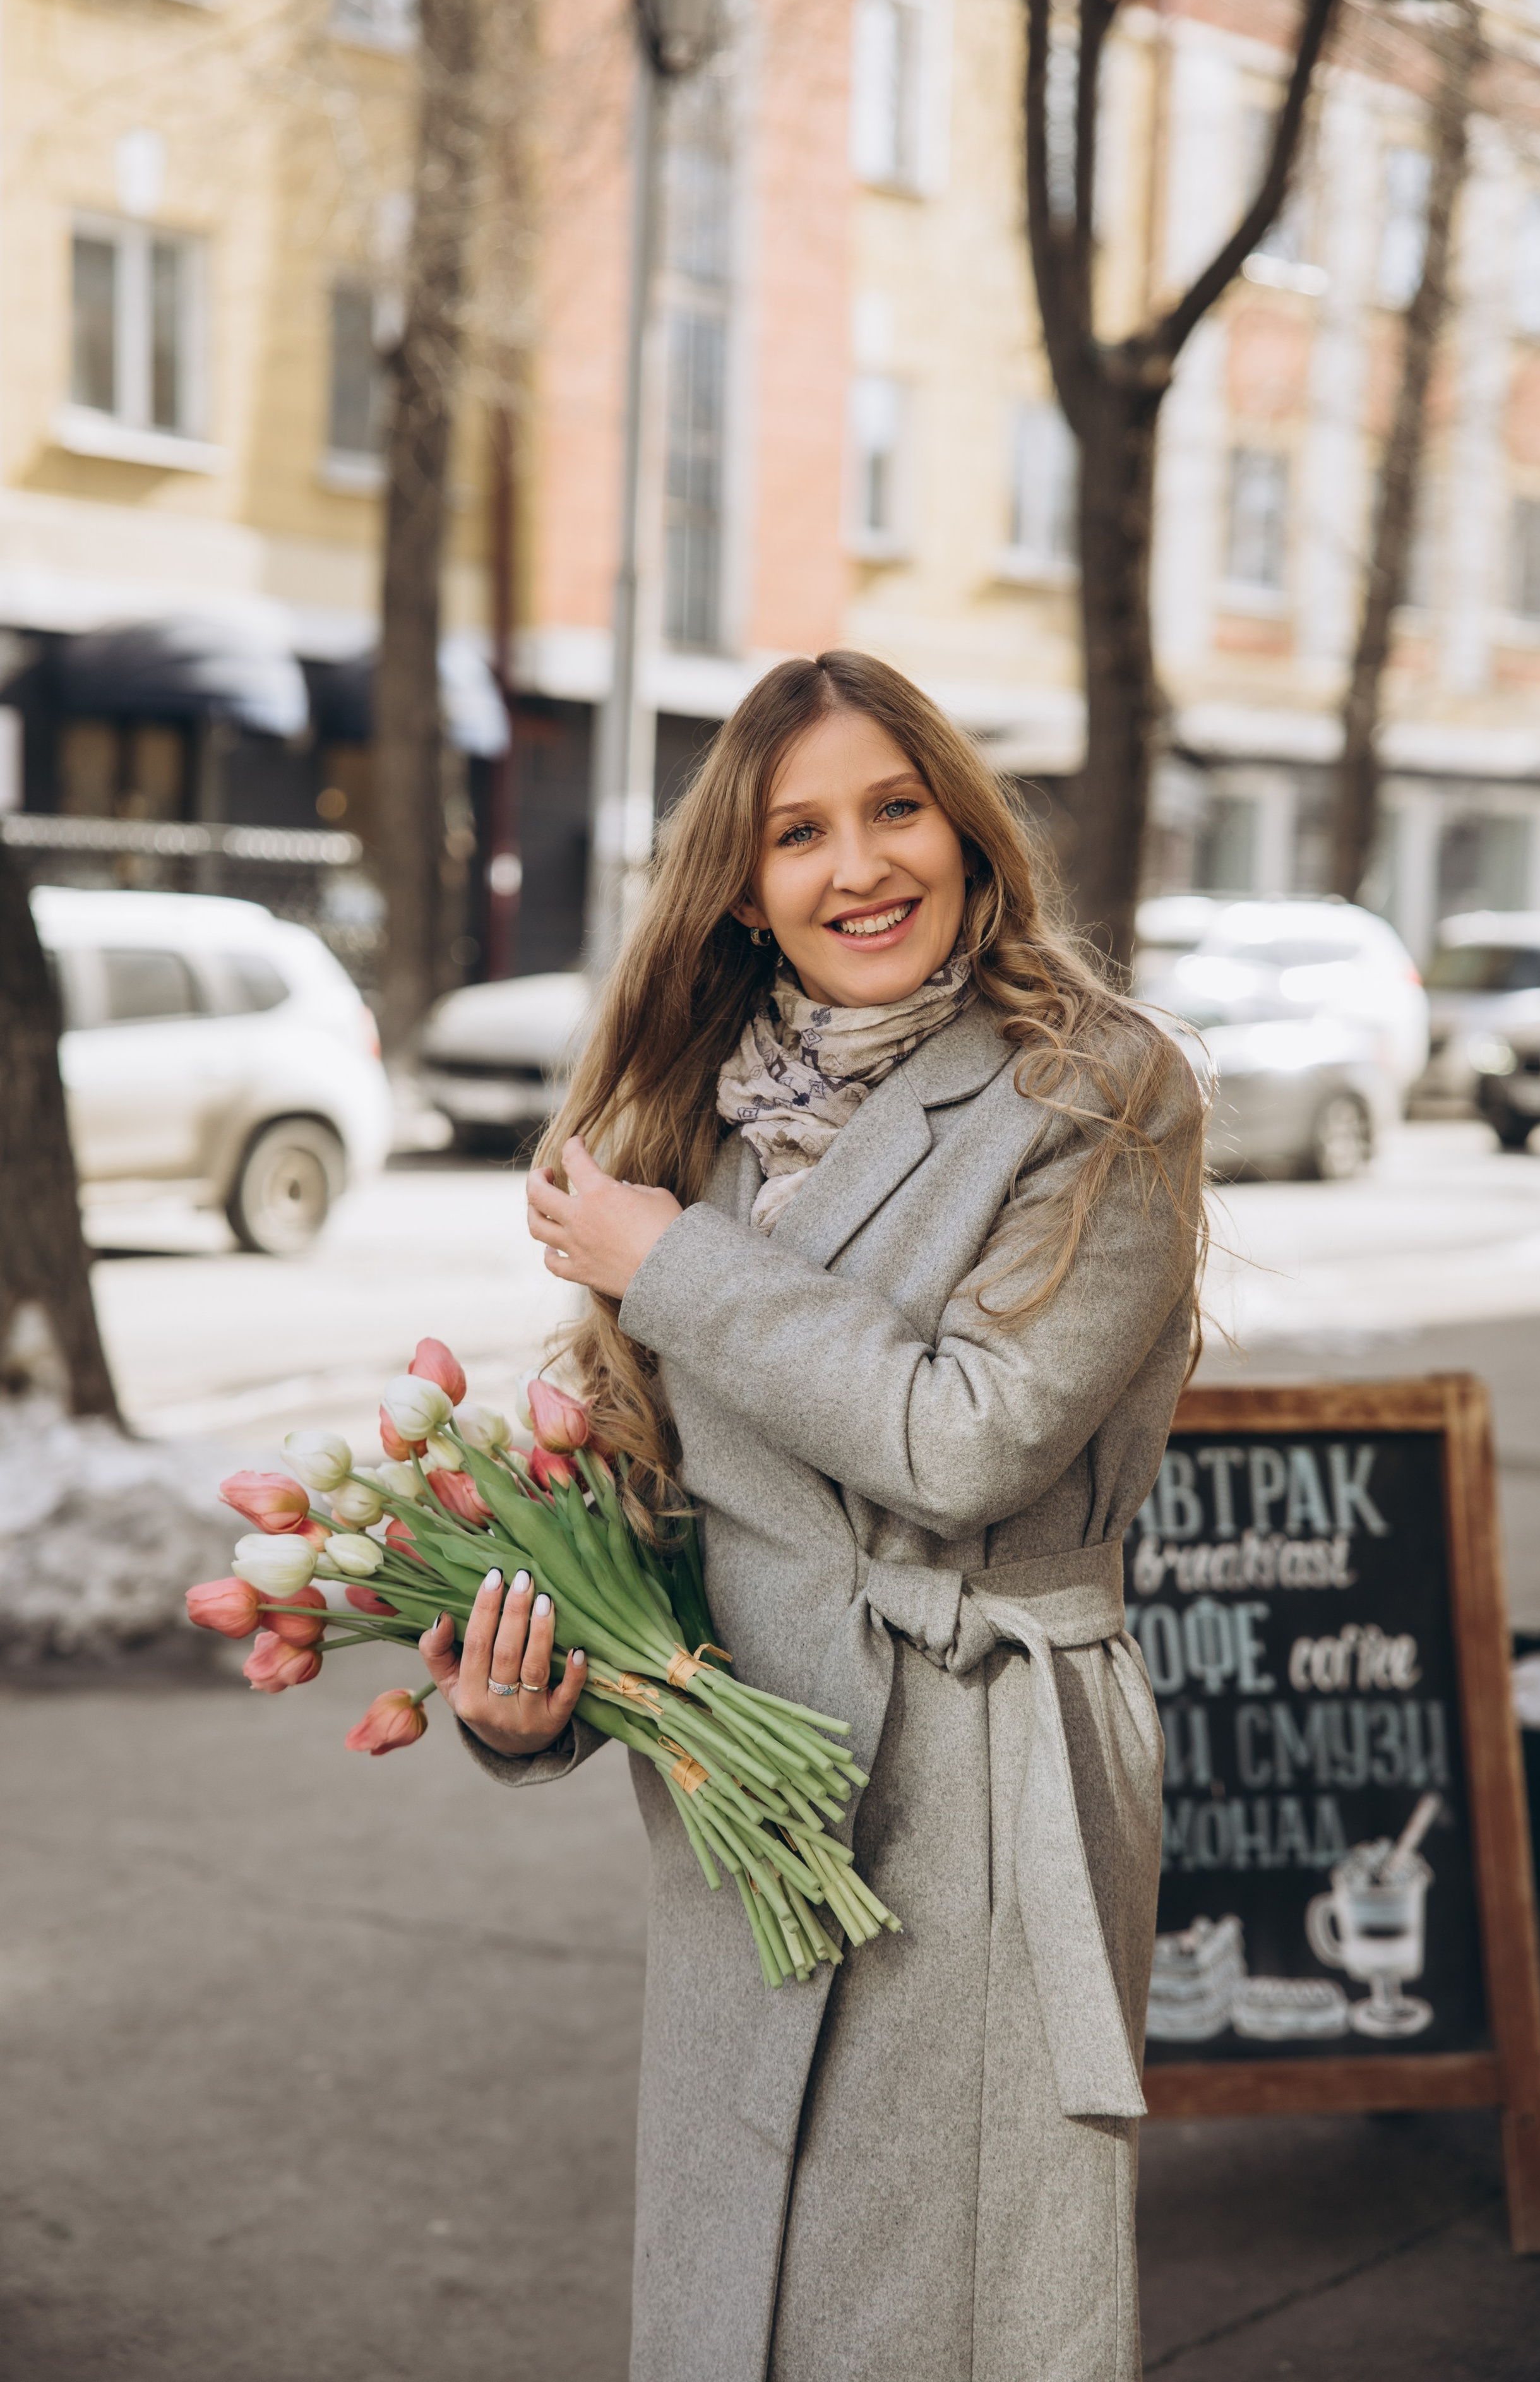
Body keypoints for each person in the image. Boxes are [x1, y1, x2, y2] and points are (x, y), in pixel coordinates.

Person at [419, 650, 1205, 2382]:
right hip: (749, 1790)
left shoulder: (1101, 1091)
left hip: (980, 1768)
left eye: (895, 809)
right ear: (745, 889)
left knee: (944, 2309)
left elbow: (972, 1442)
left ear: (967, 830)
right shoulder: (694, 1113)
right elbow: (663, 1496)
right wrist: (537, 1709)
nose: (859, 867)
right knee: (743, 2292)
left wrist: (675, 1267)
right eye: (798, 834)